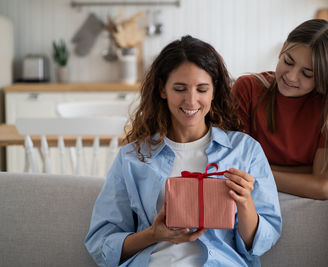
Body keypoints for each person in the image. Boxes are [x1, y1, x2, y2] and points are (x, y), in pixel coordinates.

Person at [85, 35, 281, 267]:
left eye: (202, 89)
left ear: (214, 92)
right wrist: (154, 234)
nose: (191, 100)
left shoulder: (245, 150)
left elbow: (263, 242)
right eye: (180, 88)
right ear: (162, 89)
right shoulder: (132, 156)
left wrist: (245, 202)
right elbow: (100, 244)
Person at [231, 19, 328, 200]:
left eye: (307, 73)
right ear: (283, 48)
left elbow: (321, 188)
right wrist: (310, 171)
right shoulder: (248, 89)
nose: (291, 77)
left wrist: (256, 171)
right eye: (288, 61)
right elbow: (235, 168)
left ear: (325, 77)